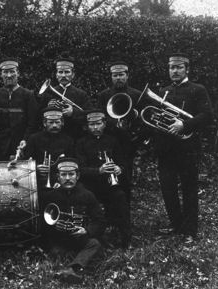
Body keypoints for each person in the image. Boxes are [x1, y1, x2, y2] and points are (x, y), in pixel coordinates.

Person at [154, 53, 213, 243]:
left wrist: (184, 126)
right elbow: (157, 118)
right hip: (166, 149)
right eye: (172, 68)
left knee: (189, 189)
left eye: (179, 67)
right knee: (167, 189)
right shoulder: (164, 91)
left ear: (187, 69)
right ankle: (176, 224)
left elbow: (207, 115)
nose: (175, 71)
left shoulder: (198, 89)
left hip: (188, 147)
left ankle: (190, 230)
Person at [39, 157, 106, 284]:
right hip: (60, 239)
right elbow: (42, 221)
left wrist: (86, 231)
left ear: (78, 176)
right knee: (55, 251)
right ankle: (76, 264)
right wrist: (54, 227)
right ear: (58, 177)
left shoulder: (88, 195)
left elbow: (100, 221)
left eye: (71, 174)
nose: (68, 178)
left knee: (95, 244)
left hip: (80, 238)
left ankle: (71, 269)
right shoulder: (51, 196)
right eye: (63, 175)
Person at [76, 110, 131, 249]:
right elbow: (79, 169)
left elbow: (123, 162)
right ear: (87, 126)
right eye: (91, 125)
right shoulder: (81, 143)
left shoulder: (112, 140)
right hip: (90, 185)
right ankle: (94, 236)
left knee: (120, 197)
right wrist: (98, 171)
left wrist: (120, 169)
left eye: (98, 124)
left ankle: (126, 239)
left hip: (109, 185)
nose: (95, 128)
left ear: (104, 124)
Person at [96, 60, 143, 200]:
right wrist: (113, 123)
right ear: (111, 77)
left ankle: (125, 213)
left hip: (129, 141)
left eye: (121, 75)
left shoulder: (136, 94)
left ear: (127, 75)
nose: (118, 78)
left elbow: (143, 118)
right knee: (109, 174)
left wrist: (134, 130)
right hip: (110, 139)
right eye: (115, 75)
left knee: (125, 175)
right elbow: (100, 116)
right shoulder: (104, 95)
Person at [0, 58, 38, 160]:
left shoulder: (28, 95)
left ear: (18, 73)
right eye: (5, 72)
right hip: (0, 146)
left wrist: (26, 139)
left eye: (12, 71)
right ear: (1, 75)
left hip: (23, 145)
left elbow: (33, 122)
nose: (9, 75)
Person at [23, 106, 74, 190]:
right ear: (44, 123)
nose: (54, 125)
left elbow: (71, 163)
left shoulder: (68, 140)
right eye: (50, 122)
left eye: (57, 122)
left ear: (62, 123)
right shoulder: (34, 138)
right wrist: (36, 168)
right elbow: (26, 162)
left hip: (60, 181)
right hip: (37, 180)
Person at [39, 57, 90, 140]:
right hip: (51, 136)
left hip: (74, 135)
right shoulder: (47, 94)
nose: (63, 75)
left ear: (73, 75)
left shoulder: (81, 94)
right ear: (56, 75)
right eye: (60, 72)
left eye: (67, 72)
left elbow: (88, 115)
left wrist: (73, 112)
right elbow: (38, 115)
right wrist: (48, 108)